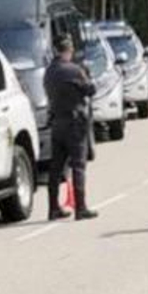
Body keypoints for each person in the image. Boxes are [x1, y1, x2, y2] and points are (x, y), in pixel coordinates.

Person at [43, 36, 98, 220]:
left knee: (56, 167)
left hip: (57, 123)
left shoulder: (49, 72)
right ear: (69, 50)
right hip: (74, 123)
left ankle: (53, 208)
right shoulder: (74, 70)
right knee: (78, 166)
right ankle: (81, 207)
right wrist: (87, 74)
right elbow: (91, 89)